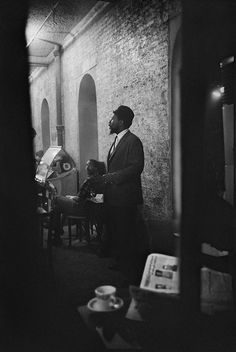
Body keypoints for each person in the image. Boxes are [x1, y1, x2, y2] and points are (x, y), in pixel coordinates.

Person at [101, 105, 145, 284]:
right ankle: (120, 261)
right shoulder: (118, 140)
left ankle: (131, 272)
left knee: (127, 233)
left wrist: (111, 177)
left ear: (121, 121)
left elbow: (136, 167)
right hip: (115, 196)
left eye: (113, 119)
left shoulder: (133, 141)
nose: (110, 122)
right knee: (118, 231)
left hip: (125, 198)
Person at [51, 159, 105, 244]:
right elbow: (98, 198)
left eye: (88, 165)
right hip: (91, 209)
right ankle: (57, 233)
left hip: (80, 208)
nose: (85, 167)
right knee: (58, 207)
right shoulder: (102, 180)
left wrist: (71, 198)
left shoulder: (90, 181)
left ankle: (56, 233)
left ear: (95, 168)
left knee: (56, 198)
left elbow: (80, 198)